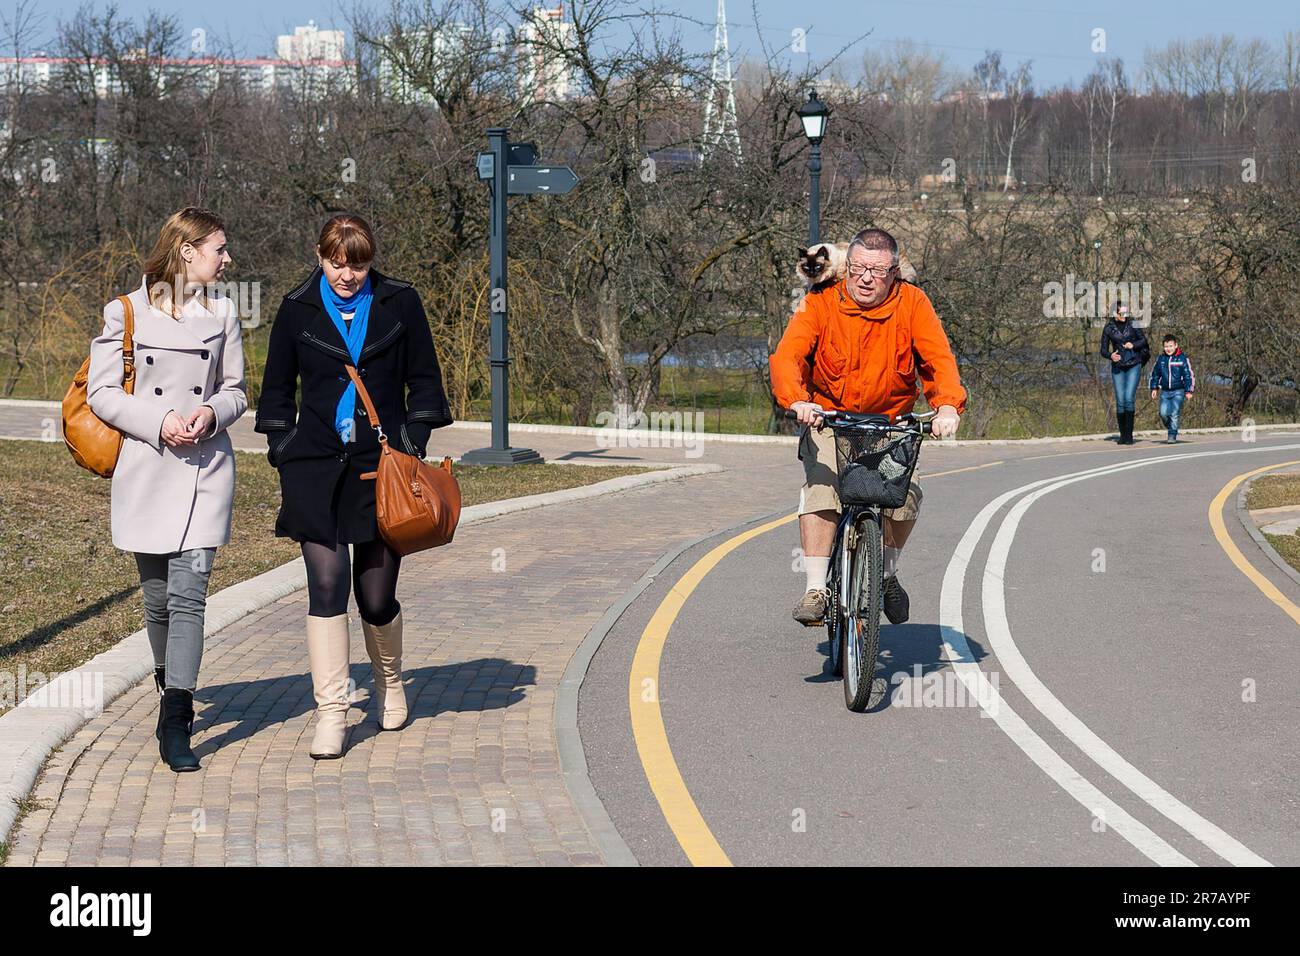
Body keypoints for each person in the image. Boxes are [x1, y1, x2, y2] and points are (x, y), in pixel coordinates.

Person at [255, 214, 453, 759]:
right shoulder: (297, 309)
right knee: (326, 587)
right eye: (337, 263)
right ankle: (333, 713)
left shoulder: (400, 303)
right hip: (315, 467)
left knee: (376, 595)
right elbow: (276, 392)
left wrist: (412, 443)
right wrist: (283, 451)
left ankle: (390, 682)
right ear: (319, 256)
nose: (348, 275)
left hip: (380, 468)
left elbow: (425, 384)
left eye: (359, 264)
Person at [86, 207, 247, 772]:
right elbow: (101, 394)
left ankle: (175, 716)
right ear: (186, 251)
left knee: (189, 595)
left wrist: (208, 410)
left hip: (204, 472)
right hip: (149, 466)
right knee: (157, 599)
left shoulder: (223, 314)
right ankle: (165, 679)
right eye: (218, 249)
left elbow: (236, 391)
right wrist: (157, 423)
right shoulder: (125, 311)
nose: (227, 260)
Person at [769, 227, 966, 627]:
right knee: (823, 489)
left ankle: (886, 573)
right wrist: (798, 400)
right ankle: (816, 589)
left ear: (893, 271)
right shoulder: (820, 301)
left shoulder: (913, 303)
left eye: (876, 270)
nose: (865, 278)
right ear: (847, 266)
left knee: (905, 493)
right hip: (828, 419)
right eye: (857, 267)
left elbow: (938, 360)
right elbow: (789, 354)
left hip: (891, 422)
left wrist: (947, 406)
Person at [1099, 303, 1150, 445]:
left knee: (1128, 398)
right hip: (1118, 366)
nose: (1125, 316)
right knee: (1120, 401)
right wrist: (1111, 356)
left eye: (1126, 313)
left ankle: (1129, 436)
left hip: (1134, 363)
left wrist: (1133, 345)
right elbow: (1103, 350)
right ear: (1115, 314)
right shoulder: (1108, 328)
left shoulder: (1133, 323)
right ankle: (1123, 435)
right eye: (1122, 313)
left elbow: (1143, 340)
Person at [1148, 333, 1195, 444]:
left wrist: (1189, 390)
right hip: (1165, 391)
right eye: (1166, 346)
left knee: (1174, 413)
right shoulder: (1161, 359)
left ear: (1176, 345)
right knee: (1163, 413)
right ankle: (1171, 427)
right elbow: (1155, 374)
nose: (1168, 349)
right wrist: (1154, 388)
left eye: (1170, 346)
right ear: (1163, 347)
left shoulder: (1182, 359)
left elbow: (1189, 375)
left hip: (1178, 391)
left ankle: (1172, 435)